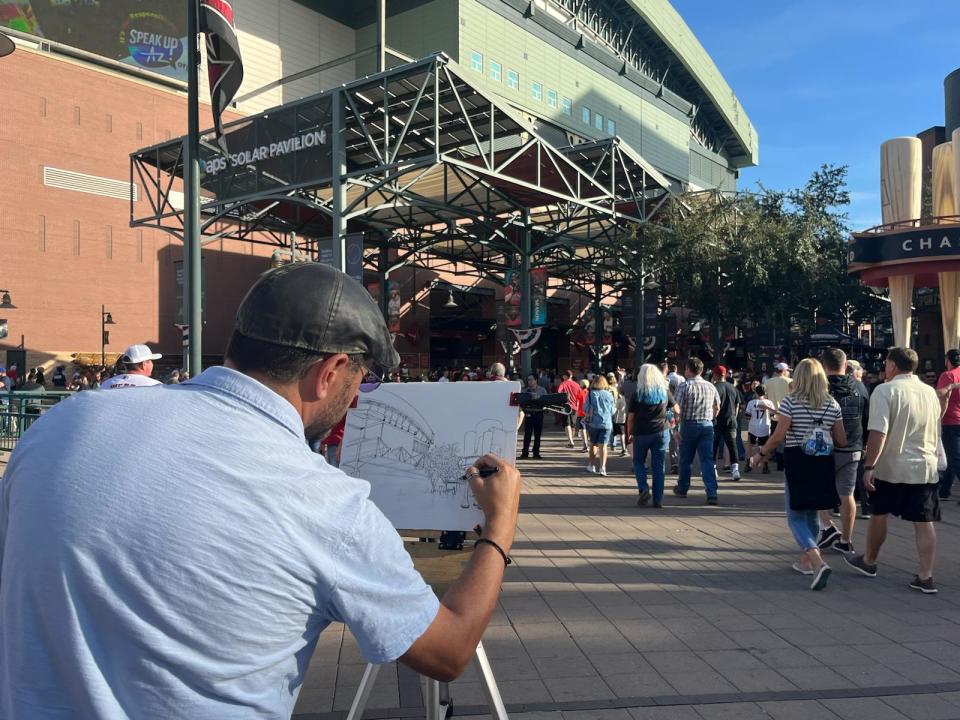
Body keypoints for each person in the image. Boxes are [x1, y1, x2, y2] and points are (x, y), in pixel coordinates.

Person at [0, 263, 522, 717]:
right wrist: (499, 524)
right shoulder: (324, 502)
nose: (356, 398)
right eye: (359, 381)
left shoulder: (68, 420)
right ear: (330, 371)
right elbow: (448, 651)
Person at [845, 347, 942, 593]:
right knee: (924, 520)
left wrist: (869, 466)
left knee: (880, 513)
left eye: (886, 363)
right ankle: (926, 575)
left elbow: (878, 432)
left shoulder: (885, 391)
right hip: (924, 466)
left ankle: (869, 561)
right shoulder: (929, 392)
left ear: (892, 365)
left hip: (891, 465)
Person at [751, 358, 845, 591]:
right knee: (812, 513)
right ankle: (806, 563)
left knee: (795, 516)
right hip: (823, 462)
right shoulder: (832, 404)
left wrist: (760, 454)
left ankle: (816, 560)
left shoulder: (790, 402)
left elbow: (778, 435)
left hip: (798, 460)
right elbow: (841, 439)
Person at [816, 348, 869, 554]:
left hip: (823, 446)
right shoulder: (860, 387)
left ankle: (827, 525)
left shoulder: (820, 387)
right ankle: (846, 539)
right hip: (852, 447)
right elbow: (866, 417)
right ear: (845, 365)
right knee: (847, 494)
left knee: (819, 488)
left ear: (823, 365)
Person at [626, 363, 679, 508]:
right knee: (658, 466)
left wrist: (629, 433)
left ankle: (643, 488)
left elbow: (630, 418)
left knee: (638, 462)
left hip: (641, 432)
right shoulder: (664, 392)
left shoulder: (637, 395)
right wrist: (675, 424)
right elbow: (677, 409)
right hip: (661, 431)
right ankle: (658, 499)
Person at [673, 357, 721, 504]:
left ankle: (683, 488)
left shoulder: (684, 386)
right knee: (706, 460)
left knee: (686, 459)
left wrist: (675, 427)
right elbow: (717, 406)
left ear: (688, 370)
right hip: (707, 425)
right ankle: (711, 492)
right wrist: (710, 417)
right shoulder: (711, 386)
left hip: (689, 425)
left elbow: (677, 408)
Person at [935, 348, 960, 500]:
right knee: (952, 456)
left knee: (955, 457)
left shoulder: (948, 375)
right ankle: (944, 490)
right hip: (957, 420)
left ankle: (944, 490)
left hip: (950, 421)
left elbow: (939, 394)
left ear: (947, 360)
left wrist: (949, 387)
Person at [711, 366, 742, 481]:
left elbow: (714, 405)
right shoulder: (733, 388)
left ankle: (713, 469)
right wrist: (734, 416)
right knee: (732, 445)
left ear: (715, 375)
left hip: (717, 421)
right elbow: (738, 404)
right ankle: (735, 470)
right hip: (731, 420)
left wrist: (712, 417)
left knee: (714, 445)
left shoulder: (714, 388)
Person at [584, 375, 614, 475]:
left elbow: (585, 408)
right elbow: (612, 411)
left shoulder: (590, 394)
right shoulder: (609, 394)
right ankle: (602, 467)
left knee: (593, 444)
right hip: (606, 423)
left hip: (593, 423)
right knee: (603, 446)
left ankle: (592, 465)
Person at [765, 362, 792, 470]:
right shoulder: (790, 382)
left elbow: (765, 398)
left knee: (776, 437)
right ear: (784, 371)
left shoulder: (768, 382)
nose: (789, 372)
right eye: (788, 371)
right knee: (787, 439)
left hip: (772, 415)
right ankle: (784, 461)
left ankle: (777, 460)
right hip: (787, 415)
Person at [744, 384, 774, 474]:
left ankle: (748, 463)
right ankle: (765, 465)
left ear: (756, 392)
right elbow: (773, 416)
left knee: (750, 445)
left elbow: (747, 417)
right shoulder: (769, 402)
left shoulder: (751, 403)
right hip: (765, 427)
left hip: (753, 427)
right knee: (765, 447)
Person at [519, 374, 546, 460]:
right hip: (529, 414)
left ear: (536, 380)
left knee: (537, 435)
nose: (529, 381)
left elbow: (546, 401)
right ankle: (525, 453)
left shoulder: (542, 390)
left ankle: (536, 453)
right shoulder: (525, 391)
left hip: (539, 414)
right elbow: (521, 402)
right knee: (527, 435)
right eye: (528, 380)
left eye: (531, 379)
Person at [557, 371, 582, 449]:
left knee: (567, 424)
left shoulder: (563, 383)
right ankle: (572, 439)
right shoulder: (577, 384)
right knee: (573, 425)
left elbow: (558, 392)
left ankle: (570, 441)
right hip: (575, 407)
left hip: (566, 406)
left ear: (565, 376)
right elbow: (580, 395)